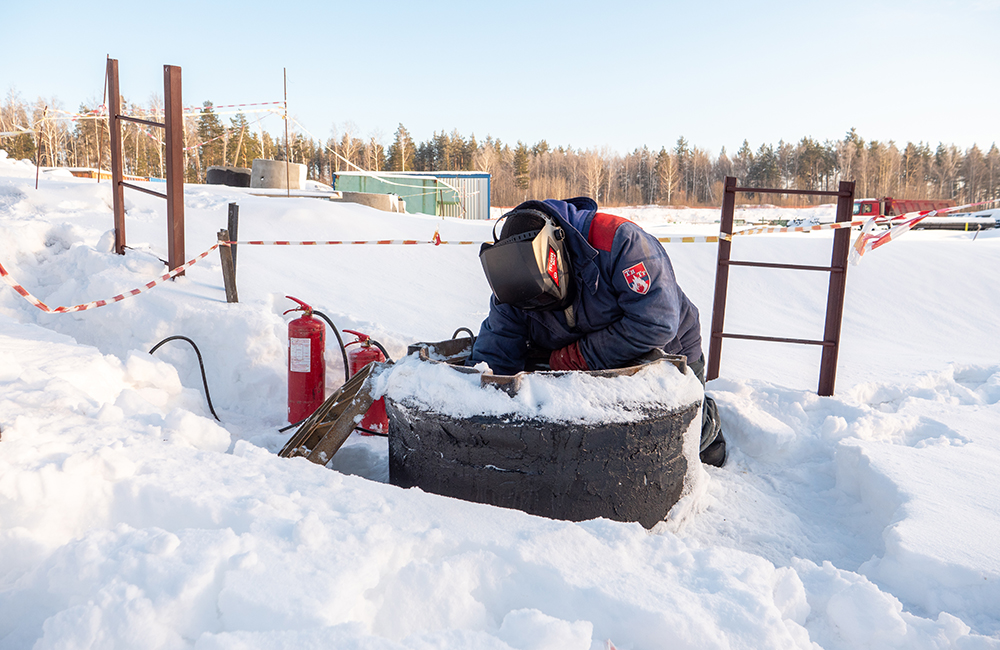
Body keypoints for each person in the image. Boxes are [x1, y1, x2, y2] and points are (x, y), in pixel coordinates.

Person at [467, 197, 727, 467]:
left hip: (665, 348)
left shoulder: (620, 241)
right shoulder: (511, 284)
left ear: (557, 248)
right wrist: (479, 406)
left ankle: (709, 423)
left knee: (683, 436)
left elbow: (656, 323)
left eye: (546, 296)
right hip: (574, 356)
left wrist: (576, 358)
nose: (542, 307)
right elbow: (496, 351)